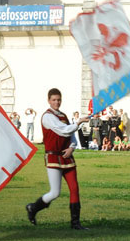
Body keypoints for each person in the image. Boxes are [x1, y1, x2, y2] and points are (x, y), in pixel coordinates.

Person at [25, 88, 88, 230]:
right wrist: (78, 123)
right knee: (55, 192)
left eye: (58, 100)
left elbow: (70, 135)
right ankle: (33, 208)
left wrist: (72, 147)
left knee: (74, 188)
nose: (56, 102)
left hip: (67, 156)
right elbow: (62, 130)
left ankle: (75, 223)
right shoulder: (47, 117)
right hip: (53, 156)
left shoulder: (64, 115)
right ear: (49, 100)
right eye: (54, 100)